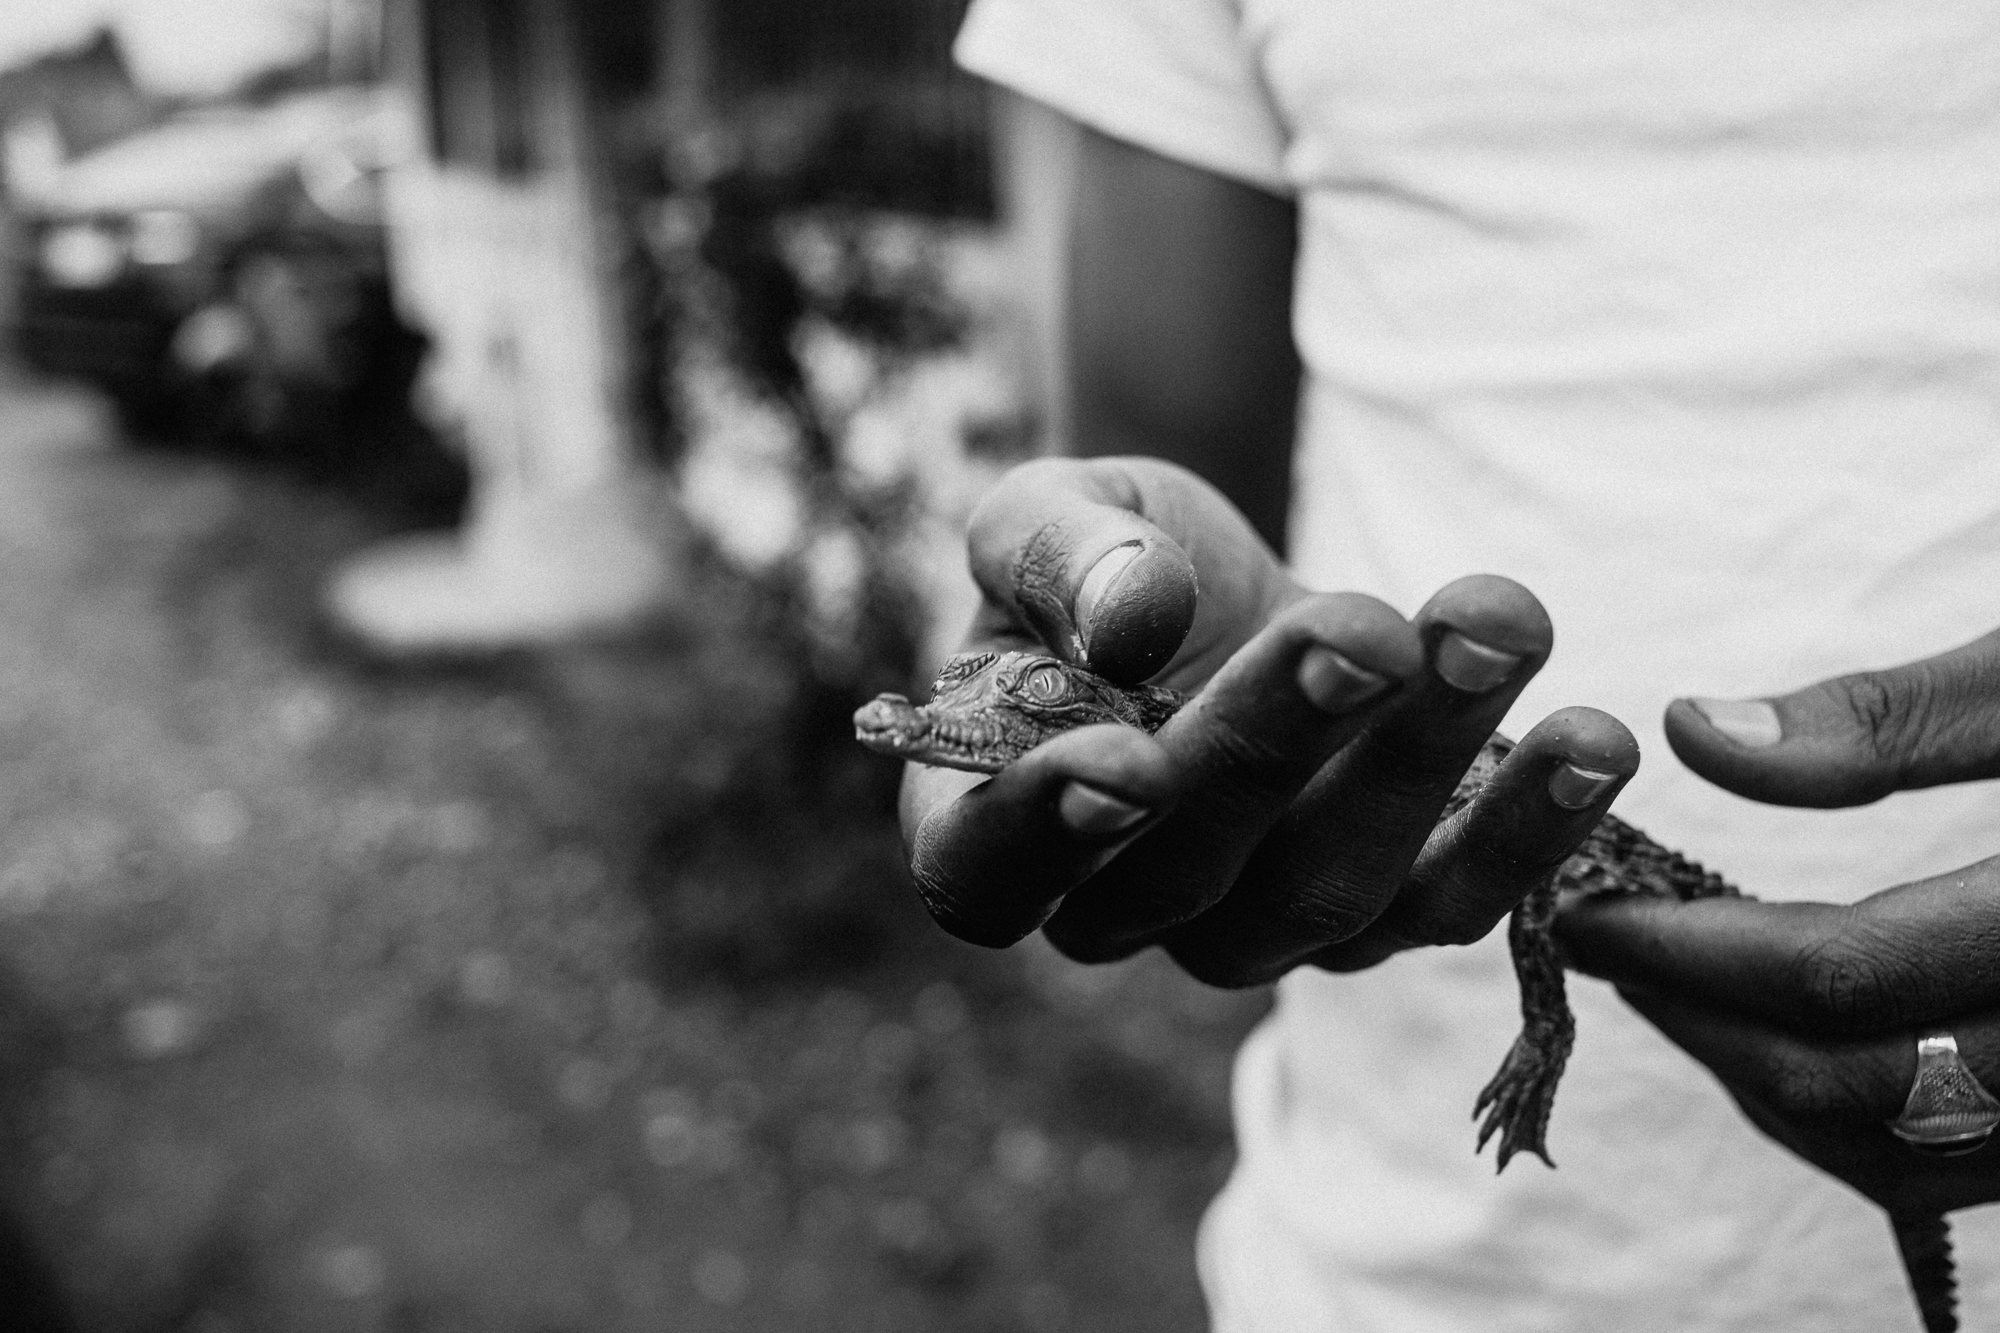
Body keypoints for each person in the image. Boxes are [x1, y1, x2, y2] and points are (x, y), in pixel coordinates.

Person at [894, 1, 2000, 1328]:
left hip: (1565, 894)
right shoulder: (1137, 711)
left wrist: (1542, 1032)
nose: (954, 715)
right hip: (1407, 1266)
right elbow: (1138, 534)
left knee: (1545, 872)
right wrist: (1085, 581)